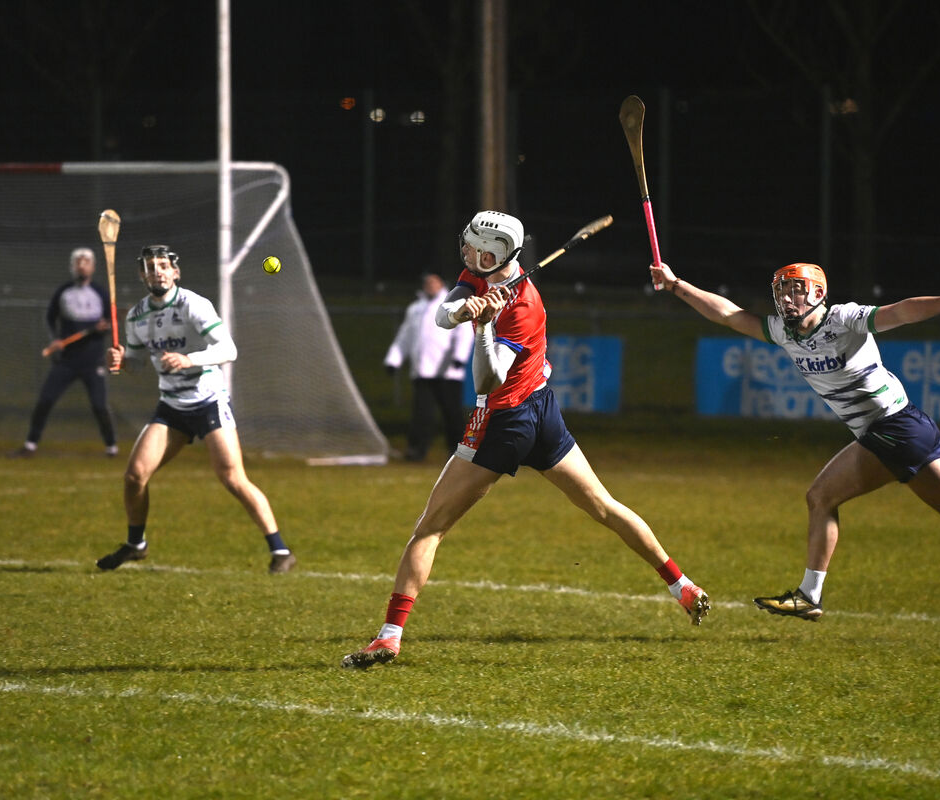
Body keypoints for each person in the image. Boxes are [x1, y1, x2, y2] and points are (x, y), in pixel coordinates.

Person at [342, 211, 711, 669]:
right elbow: (442, 314)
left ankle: (389, 637)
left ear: (499, 256)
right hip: (542, 411)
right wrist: (463, 310)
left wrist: (484, 326)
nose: (468, 254)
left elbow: (487, 380)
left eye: (478, 251)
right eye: (468, 245)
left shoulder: (523, 306)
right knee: (603, 505)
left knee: (430, 528)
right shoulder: (479, 274)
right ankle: (682, 586)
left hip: (504, 421)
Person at [648, 260, 940, 620]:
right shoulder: (785, 333)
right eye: (781, 291)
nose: (786, 298)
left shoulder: (843, 319)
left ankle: (810, 595)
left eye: (795, 290)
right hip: (909, 427)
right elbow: (727, 314)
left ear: (818, 293)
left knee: (821, 496)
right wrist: (676, 285)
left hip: (894, 428)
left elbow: (901, 311)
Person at [97, 245, 296, 574]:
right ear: (142, 275)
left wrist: (189, 359)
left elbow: (228, 350)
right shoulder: (136, 316)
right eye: (150, 267)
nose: (157, 271)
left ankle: (280, 550)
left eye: (163, 266)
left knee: (232, 477)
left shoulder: (193, 305)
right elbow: (135, 363)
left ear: (175, 272)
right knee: (134, 476)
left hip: (208, 401)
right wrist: (120, 360)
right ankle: (136, 544)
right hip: (171, 406)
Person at [9, 247, 117, 457]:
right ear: (72, 266)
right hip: (67, 360)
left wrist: (104, 328)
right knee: (45, 400)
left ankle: (111, 447)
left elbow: (111, 323)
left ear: (93, 267)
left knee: (99, 406)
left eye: (86, 262)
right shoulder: (63, 292)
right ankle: (30, 445)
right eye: (78, 262)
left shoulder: (101, 293)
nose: (82, 266)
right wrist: (56, 339)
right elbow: (50, 318)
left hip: (93, 361)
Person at [384, 272, 475, 462]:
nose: (430, 285)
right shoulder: (416, 308)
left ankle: (458, 451)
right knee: (422, 413)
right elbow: (405, 336)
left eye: (434, 281)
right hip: (423, 371)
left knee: (452, 413)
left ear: (442, 283)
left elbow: (464, 332)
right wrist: (394, 360)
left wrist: (459, 357)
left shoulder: (454, 303)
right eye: (428, 282)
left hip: (448, 371)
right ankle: (417, 450)